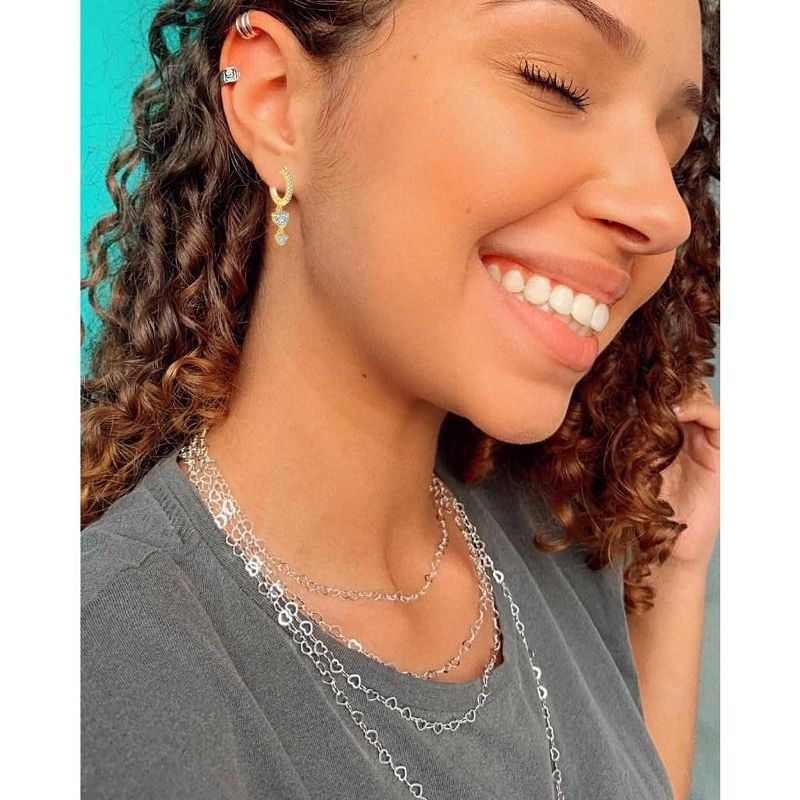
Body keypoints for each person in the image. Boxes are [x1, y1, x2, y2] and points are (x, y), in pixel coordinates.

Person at [80, 1, 720, 798]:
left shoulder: (551, 534)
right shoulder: (110, 678)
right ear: (277, 101)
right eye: (553, 82)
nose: (664, 214)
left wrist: (674, 573)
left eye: (672, 151)